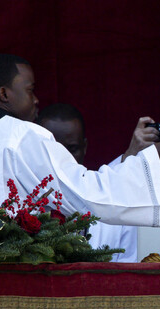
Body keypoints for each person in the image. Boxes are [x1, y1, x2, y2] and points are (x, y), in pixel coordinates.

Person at [0, 54, 160, 229]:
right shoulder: (22, 134)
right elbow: (82, 195)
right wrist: (151, 159)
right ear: (4, 94)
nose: (36, 100)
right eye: (30, 90)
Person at [38, 103, 144, 262]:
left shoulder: (117, 204)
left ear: (85, 147)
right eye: (54, 150)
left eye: (72, 149)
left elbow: (127, 270)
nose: (63, 158)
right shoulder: (17, 201)